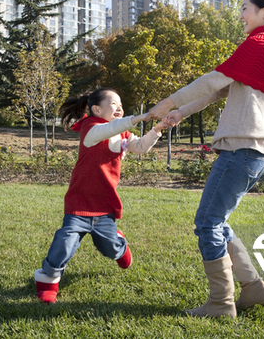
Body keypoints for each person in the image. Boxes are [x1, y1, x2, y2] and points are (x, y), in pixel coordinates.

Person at [148, 0, 264, 318]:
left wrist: (169, 100)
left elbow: (212, 80)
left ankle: (220, 303)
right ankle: (253, 289)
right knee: (218, 221)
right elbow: (220, 89)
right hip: (253, 150)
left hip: (242, 149)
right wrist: (180, 112)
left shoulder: (261, 41)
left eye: (245, 8)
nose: (240, 14)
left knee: (207, 223)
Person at [34, 88, 168, 304]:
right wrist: (137, 118)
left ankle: (120, 244)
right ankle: (48, 279)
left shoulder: (122, 133)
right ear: (96, 109)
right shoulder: (90, 128)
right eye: (113, 103)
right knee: (65, 241)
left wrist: (157, 129)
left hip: (105, 203)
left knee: (109, 248)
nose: (119, 107)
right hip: (80, 201)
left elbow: (141, 146)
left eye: (121, 103)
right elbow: (107, 130)